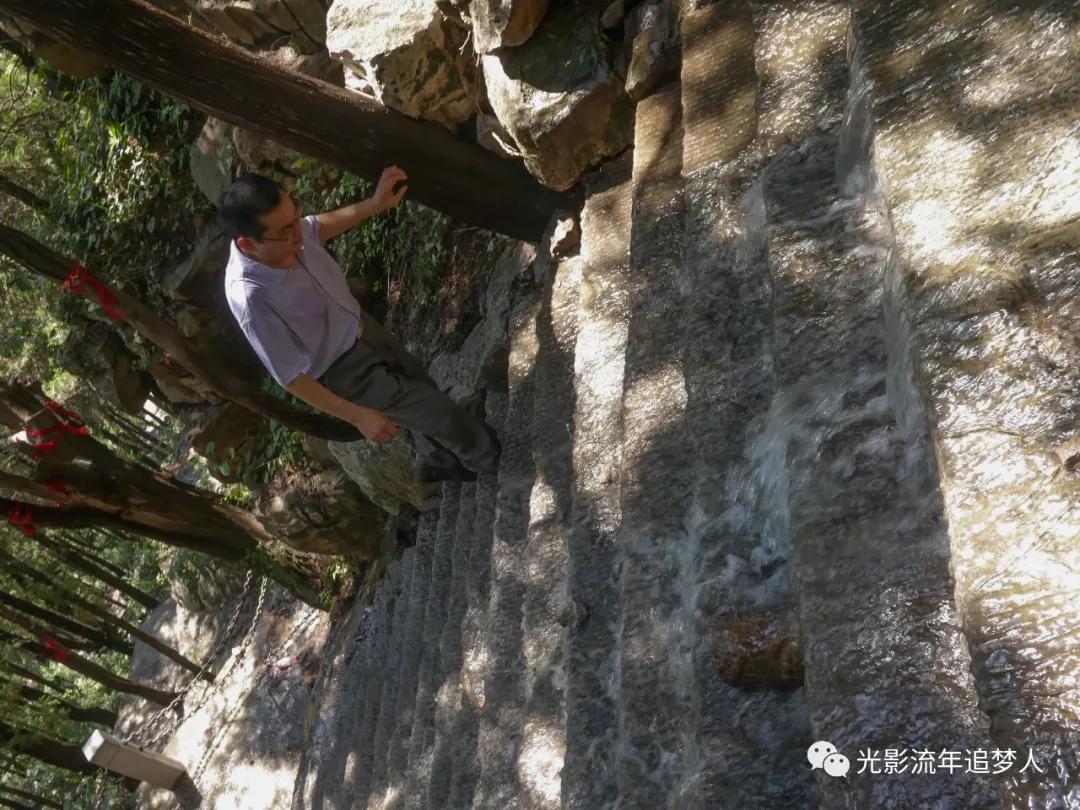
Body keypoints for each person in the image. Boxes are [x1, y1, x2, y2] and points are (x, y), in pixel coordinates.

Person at [219, 166, 500, 483]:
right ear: (247, 245)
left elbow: (317, 228)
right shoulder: (250, 297)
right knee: (436, 411)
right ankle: (499, 461)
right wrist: (358, 416)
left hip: (362, 325)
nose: (297, 233)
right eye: (284, 231)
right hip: (344, 370)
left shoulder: (293, 232)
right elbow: (290, 377)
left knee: (423, 389)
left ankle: (435, 460)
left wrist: (375, 203)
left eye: (295, 216)